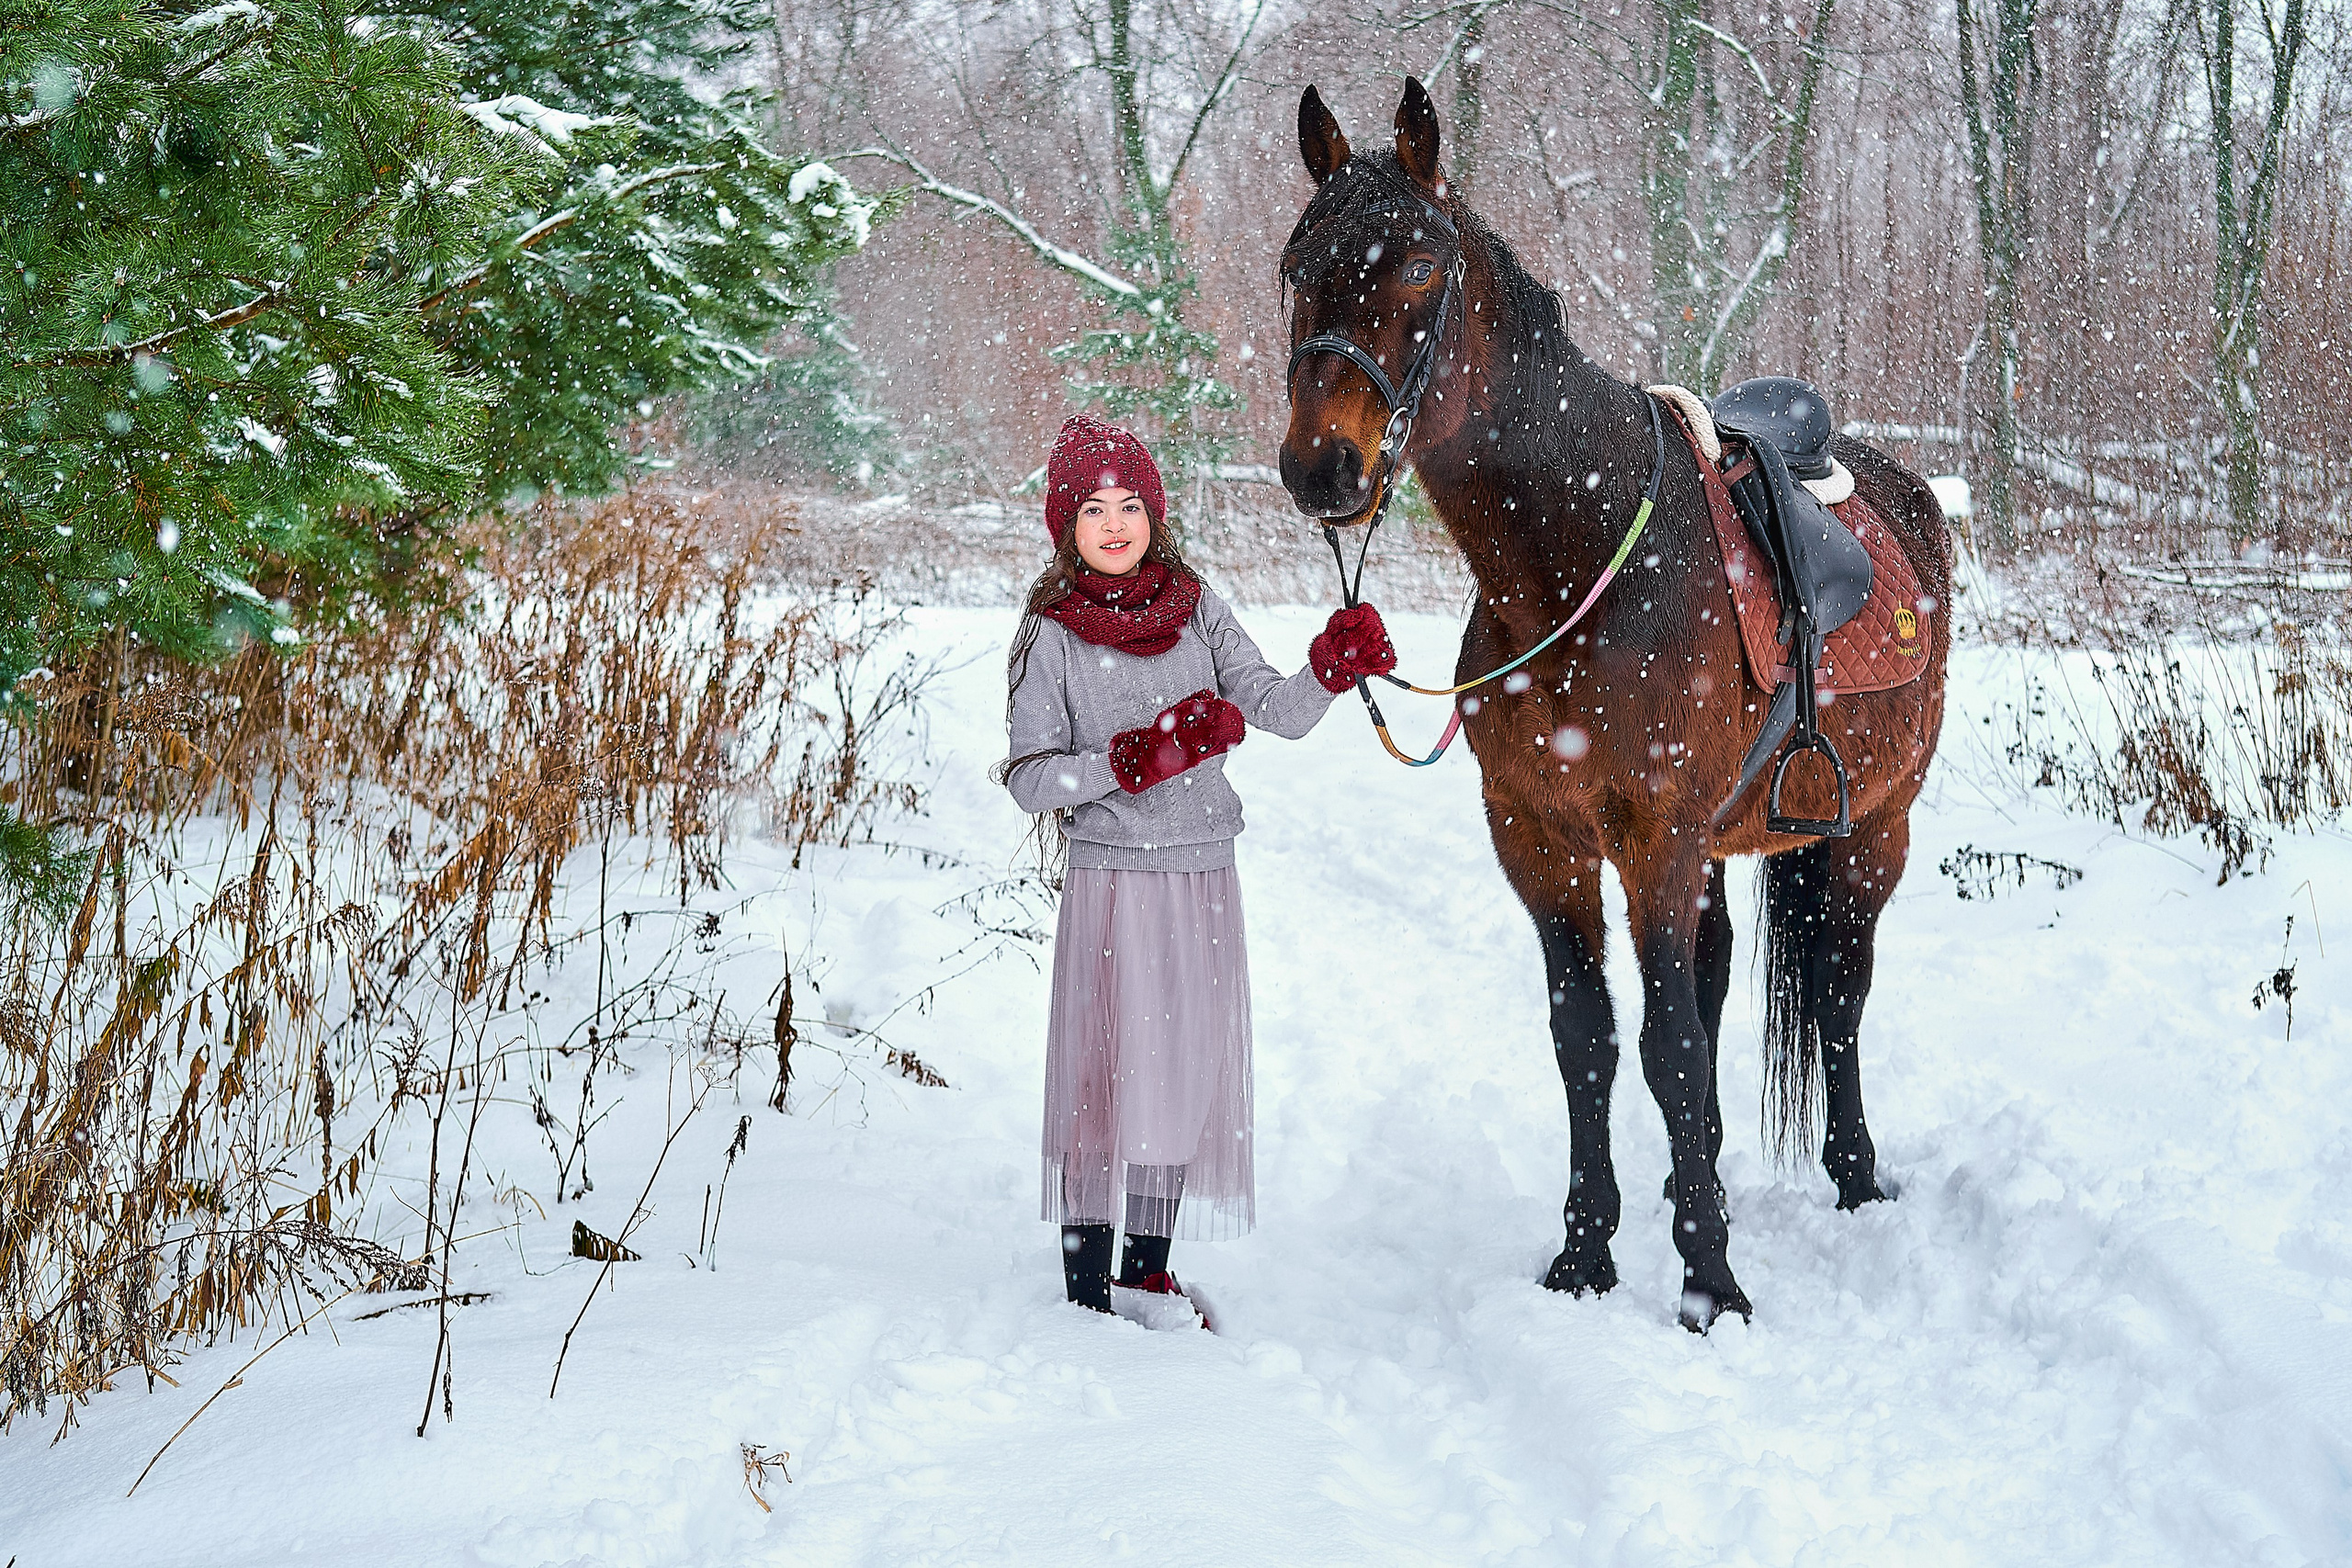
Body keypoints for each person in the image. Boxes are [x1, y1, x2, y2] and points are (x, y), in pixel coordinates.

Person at [997, 413, 1397, 1318]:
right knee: (1105, 1082)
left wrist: (1329, 671)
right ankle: (1084, 1291)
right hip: (1111, 883)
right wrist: (1128, 762)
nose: (1113, 523)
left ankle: (1147, 1270)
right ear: (1065, 523)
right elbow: (1028, 779)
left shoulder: (1195, 607)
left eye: (1130, 504)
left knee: (1174, 1075)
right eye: (1092, 508)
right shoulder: (1050, 634)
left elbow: (1276, 710)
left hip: (1201, 879)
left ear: (1155, 515)